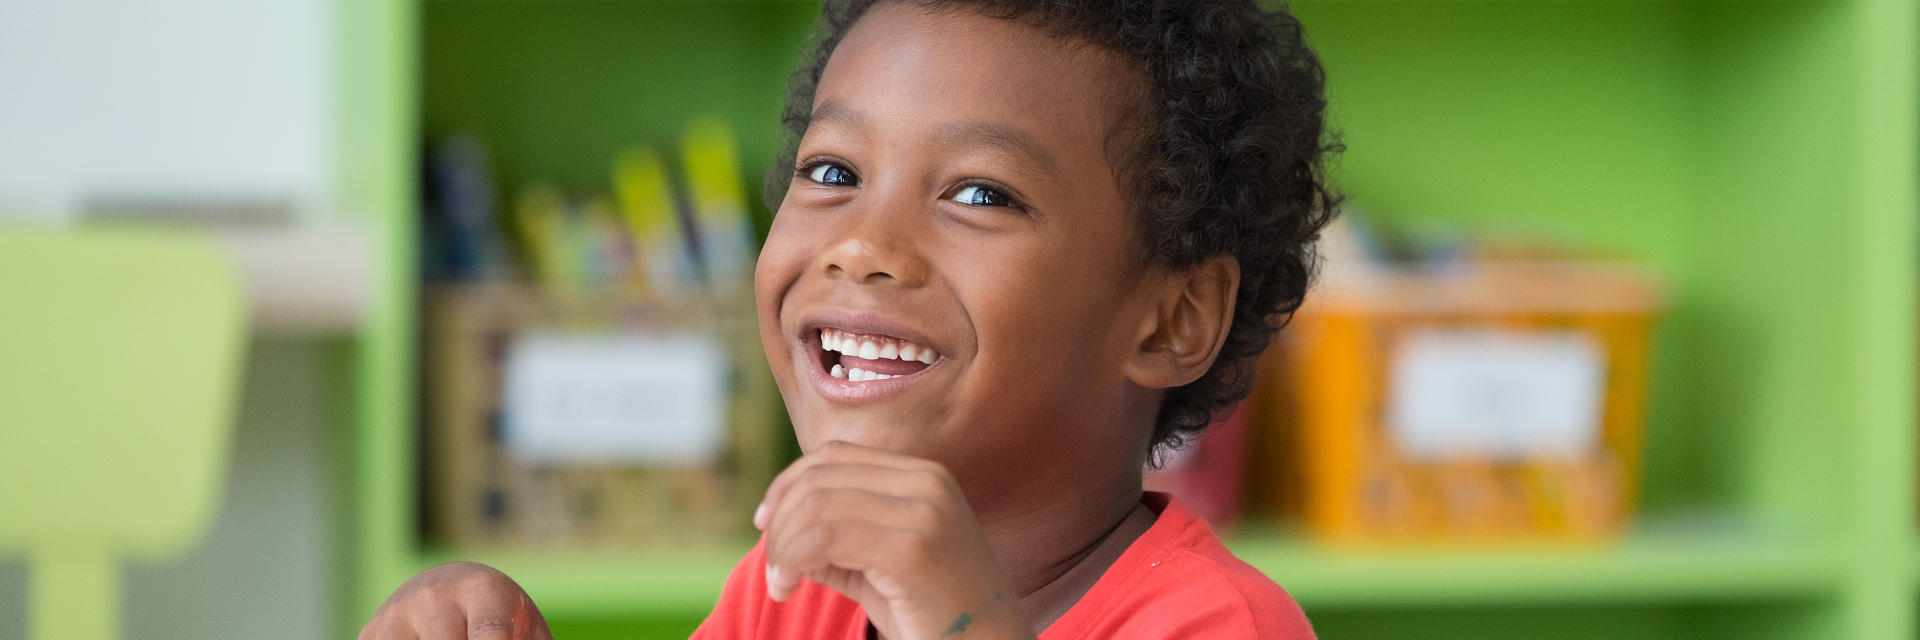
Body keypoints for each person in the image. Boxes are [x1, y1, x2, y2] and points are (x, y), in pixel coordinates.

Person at [360, 0, 1337, 637]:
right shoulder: (798, 592)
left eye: (980, 195)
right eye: (832, 173)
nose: (863, 242)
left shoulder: (1217, 624)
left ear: (1171, 318)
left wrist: (965, 620)